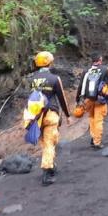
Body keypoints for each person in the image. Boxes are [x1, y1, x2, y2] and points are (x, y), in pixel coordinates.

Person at [30, 51, 71, 186]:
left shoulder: (33, 79)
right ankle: (47, 172)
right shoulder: (54, 78)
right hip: (50, 113)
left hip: (36, 115)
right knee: (50, 142)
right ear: (49, 62)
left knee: (45, 142)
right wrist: (67, 115)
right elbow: (62, 98)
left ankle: (51, 165)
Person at [76, 52, 108, 149]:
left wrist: (78, 100)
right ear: (100, 59)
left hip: (88, 99)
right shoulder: (105, 69)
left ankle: (93, 138)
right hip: (100, 99)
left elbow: (81, 86)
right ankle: (97, 142)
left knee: (92, 118)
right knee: (98, 120)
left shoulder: (86, 71)